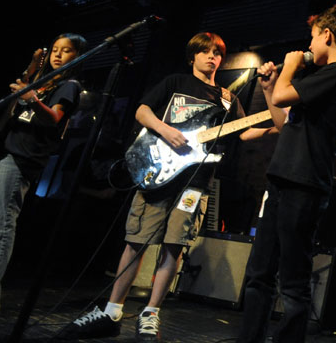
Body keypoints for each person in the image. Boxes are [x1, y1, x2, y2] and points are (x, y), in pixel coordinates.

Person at [62, 32, 271, 341]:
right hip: (158, 170)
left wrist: (275, 124)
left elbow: (241, 133)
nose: (212, 56)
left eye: (217, 52)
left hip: (195, 182)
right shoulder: (175, 83)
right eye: (205, 52)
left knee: (175, 247)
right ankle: (112, 310)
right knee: (137, 241)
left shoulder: (228, 98)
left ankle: (150, 314)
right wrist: (166, 129)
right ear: (193, 57)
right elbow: (142, 110)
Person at [237, 4, 336, 343]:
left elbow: (284, 94)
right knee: (259, 274)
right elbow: (285, 119)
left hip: (304, 186)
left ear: (327, 35)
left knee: (292, 281)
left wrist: (291, 64)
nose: (308, 47)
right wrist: (268, 88)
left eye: (312, 38)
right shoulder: (324, 77)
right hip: (283, 179)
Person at [0, 33, 87, 318]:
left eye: (66, 51)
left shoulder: (69, 86)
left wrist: (32, 99)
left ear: (77, 56)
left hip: (21, 159)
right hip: (3, 154)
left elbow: (53, 118)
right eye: (55, 49)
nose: (58, 55)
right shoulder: (42, 84)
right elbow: (17, 119)